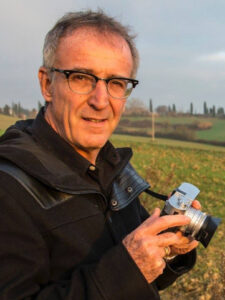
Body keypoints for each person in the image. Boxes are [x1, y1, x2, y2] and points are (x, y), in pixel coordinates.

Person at [0, 10, 200, 300]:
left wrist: (167, 251)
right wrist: (129, 268)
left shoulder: (113, 169)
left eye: (116, 83)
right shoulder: (9, 188)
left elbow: (141, 280)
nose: (100, 101)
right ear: (47, 84)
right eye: (81, 77)